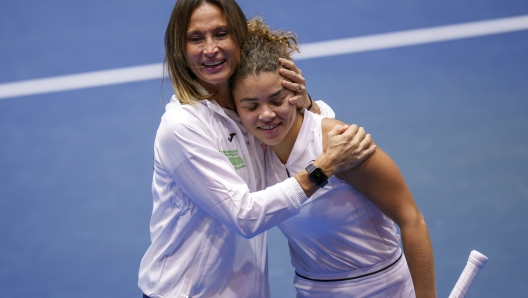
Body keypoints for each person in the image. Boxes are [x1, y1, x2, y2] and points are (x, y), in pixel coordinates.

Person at [138, 1, 376, 297]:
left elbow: (300, 142)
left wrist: (306, 104)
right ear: (180, 49)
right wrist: (324, 166)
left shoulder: (248, 109)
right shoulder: (182, 126)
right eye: (196, 38)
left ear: (239, 36)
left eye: (220, 33)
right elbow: (245, 216)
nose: (210, 48)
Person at [231, 18, 437, 297]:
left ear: (294, 91)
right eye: (251, 106)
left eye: (277, 100)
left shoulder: (341, 143)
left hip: (383, 289)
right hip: (311, 290)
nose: (266, 114)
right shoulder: (253, 151)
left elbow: (411, 219)